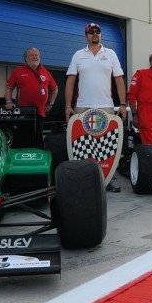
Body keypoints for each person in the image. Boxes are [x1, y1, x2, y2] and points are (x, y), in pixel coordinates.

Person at [65, 22, 127, 192]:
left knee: (107, 144)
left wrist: (122, 104)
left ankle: (110, 179)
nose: (94, 34)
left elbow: (119, 80)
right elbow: (70, 82)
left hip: (106, 107)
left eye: (97, 32)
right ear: (86, 36)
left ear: (101, 35)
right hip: (82, 107)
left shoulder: (111, 54)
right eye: (91, 32)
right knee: (82, 144)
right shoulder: (78, 55)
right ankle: (82, 177)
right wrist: (67, 106)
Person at [5, 47, 58, 147]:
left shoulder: (45, 72)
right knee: (23, 138)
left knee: (38, 138)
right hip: (23, 112)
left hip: (40, 112)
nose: (34, 57)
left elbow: (55, 89)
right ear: (26, 59)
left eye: (36, 55)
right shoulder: (18, 71)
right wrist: (8, 102)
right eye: (32, 55)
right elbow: (9, 88)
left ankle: (38, 158)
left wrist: (51, 104)